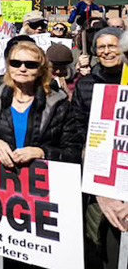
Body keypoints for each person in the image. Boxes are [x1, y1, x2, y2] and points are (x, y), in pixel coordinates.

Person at [0, 41, 80, 269]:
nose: (22, 68)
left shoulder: (58, 104)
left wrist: (41, 152)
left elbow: (74, 151)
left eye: (30, 64)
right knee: (10, 255)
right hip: (4, 192)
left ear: (42, 69)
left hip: (44, 194)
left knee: (44, 256)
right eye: (16, 63)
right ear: (8, 66)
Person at [73, 28, 125, 269]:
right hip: (100, 170)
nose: (107, 51)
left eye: (112, 45)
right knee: (101, 234)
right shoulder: (86, 84)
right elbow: (77, 126)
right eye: (101, 47)